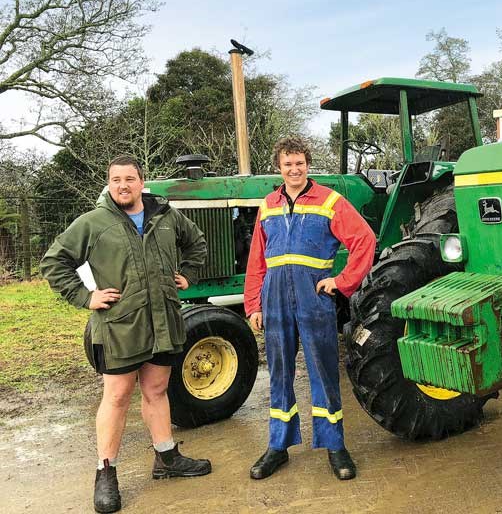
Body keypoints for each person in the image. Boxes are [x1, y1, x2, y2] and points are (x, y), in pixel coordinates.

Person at [41, 155, 212, 513]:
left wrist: (189, 275)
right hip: (120, 326)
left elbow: (196, 242)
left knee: (157, 389)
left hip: (163, 321)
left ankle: (166, 458)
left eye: (130, 179)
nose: (123, 185)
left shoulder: (166, 216)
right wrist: (85, 296)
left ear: (141, 182)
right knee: (117, 397)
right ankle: (106, 473)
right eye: (116, 179)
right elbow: (54, 261)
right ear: (108, 183)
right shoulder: (93, 222)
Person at [244, 136, 376, 481]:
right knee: (279, 372)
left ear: (308, 165)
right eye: (287, 164)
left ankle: (335, 445)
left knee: (322, 370)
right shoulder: (267, 205)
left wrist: (342, 282)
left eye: (299, 163)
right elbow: (257, 259)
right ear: (279, 167)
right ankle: (278, 446)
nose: (294, 169)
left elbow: (365, 240)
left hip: (313, 295)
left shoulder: (330, 200)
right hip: (274, 296)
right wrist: (253, 304)